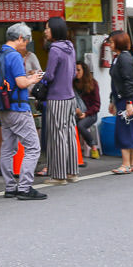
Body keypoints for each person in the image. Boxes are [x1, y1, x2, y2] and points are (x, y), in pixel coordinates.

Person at [0, 23, 47, 201]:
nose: (26, 44)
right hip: (18, 107)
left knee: (7, 148)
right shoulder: (15, 56)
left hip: (3, 107)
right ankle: (25, 188)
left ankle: (10, 187)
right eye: (26, 41)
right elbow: (21, 83)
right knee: (33, 147)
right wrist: (33, 78)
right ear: (19, 38)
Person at [40, 16, 79, 185]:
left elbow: (49, 75)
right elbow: (74, 74)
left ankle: (58, 176)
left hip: (57, 98)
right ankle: (72, 172)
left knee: (57, 136)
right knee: (69, 134)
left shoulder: (55, 49)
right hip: (70, 97)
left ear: (55, 30)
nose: (45, 31)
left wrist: (40, 78)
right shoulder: (70, 47)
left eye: (48, 28)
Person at [107, 31, 133, 174]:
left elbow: (128, 81)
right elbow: (117, 82)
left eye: (111, 41)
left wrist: (128, 102)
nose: (109, 44)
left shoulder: (124, 58)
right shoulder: (120, 58)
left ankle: (126, 164)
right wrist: (112, 100)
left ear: (118, 42)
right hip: (125, 98)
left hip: (128, 98)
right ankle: (131, 164)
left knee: (125, 129)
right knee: (131, 128)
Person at [73, 60, 101, 160]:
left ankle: (93, 147)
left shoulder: (93, 84)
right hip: (76, 113)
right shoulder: (72, 83)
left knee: (80, 125)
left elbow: (97, 105)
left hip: (90, 114)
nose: (76, 72)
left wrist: (86, 113)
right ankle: (74, 151)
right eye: (74, 70)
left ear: (84, 71)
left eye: (78, 70)